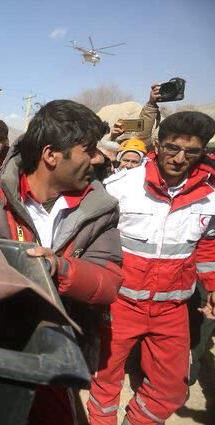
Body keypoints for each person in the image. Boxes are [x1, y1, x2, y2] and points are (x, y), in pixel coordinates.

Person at [0, 99, 122, 425]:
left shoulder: (100, 210)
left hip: (56, 360)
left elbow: (108, 282)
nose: (97, 158)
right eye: (88, 150)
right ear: (51, 155)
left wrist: (59, 269)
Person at [88, 111, 215, 425]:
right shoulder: (121, 186)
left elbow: (207, 249)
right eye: (172, 148)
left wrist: (213, 289)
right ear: (158, 144)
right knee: (105, 378)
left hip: (172, 310)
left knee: (171, 389)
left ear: (203, 152)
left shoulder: (210, 197)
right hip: (120, 303)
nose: (180, 157)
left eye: (191, 151)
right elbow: (95, 238)